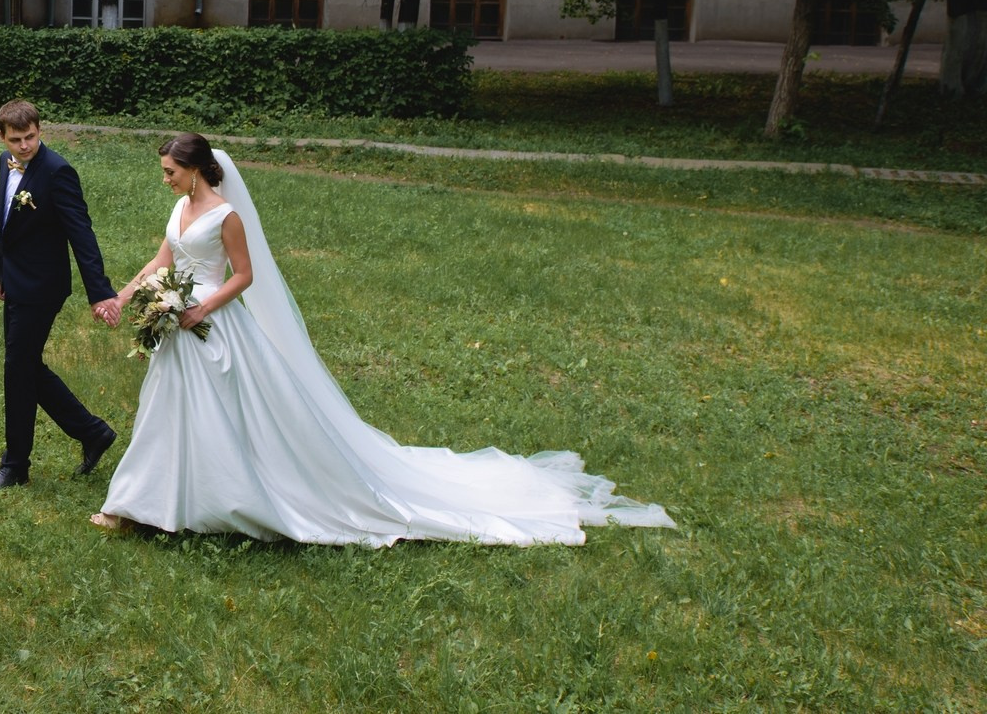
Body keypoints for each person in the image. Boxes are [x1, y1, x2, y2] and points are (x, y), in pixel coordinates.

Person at [94, 133, 676, 544]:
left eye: (171, 171)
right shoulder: (179, 210)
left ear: (196, 168)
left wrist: (201, 309)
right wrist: (125, 295)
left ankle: (222, 499)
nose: (165, 179)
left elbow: (245, 275)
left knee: (229, 419)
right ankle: (141, 505)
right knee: (163, 414)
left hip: (214, 327)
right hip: (177, 327)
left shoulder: (226, 216)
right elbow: (163, 256)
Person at [0, 100, 123, 492]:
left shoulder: (58, 172)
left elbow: (82, 234)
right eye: (16, 140)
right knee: (23, 365)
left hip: (43, 286)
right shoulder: (4, 164)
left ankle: (15, 465)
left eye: (31, 137)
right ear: (2, 137)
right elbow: (4, 221)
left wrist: (101, 293)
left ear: (40, 130)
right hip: (15, 278)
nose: (25, 146)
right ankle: (92, 432)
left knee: (18, 366)